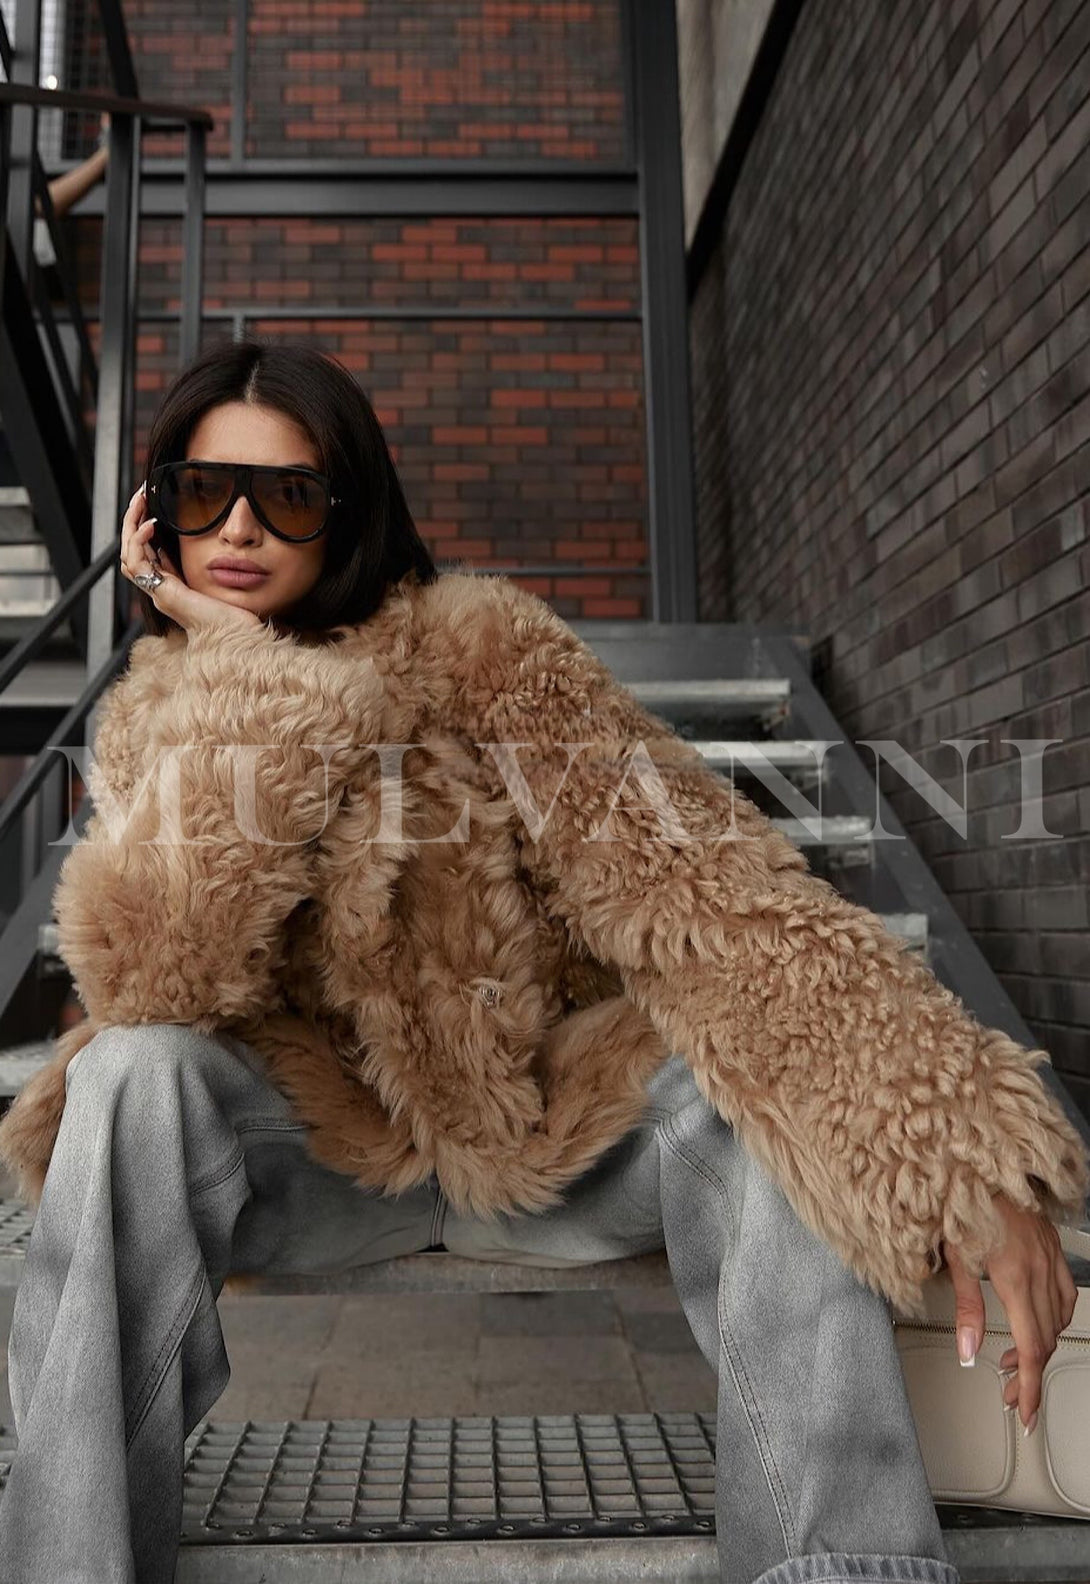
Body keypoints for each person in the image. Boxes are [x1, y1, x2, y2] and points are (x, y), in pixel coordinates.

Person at [0, 337, 1085, 1584]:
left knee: (746, 1086)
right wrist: (245, 680)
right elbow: (156, 984)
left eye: (287, 495)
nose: (239, 526)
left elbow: (717, 895)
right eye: (204, 492)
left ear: (346, 511)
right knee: (129, 1074)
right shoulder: (163, 707)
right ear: (158, 519)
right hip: (304, 1151)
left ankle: (841, 1568)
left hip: (546, 1125)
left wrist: (957, 1153)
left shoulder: (482, 649)